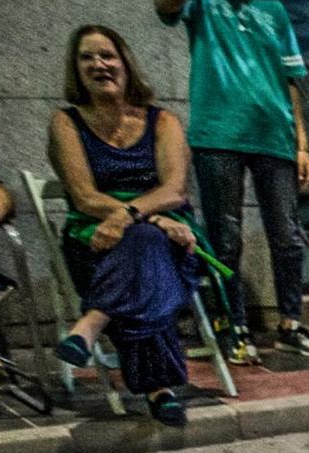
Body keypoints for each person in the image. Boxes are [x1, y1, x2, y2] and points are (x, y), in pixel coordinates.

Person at [153, 0, 309, 361]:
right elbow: (162, 2)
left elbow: (291, 79)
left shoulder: (272, 6)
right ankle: (233, 329)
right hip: (219, 135)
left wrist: (302, 142)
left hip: (274, 134)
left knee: (287, 235)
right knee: (224, 237)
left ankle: (291, 322)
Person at [46, 27, 199, 426]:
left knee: (145, 244)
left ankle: (93, 322)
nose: (99, 65)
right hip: (94, 235)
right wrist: (145, 218)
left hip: (167, 233)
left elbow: (174, 189)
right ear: (76, 69)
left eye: (107, 56)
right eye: (87, 58)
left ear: (125, 63)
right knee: (145, 246)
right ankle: (159, 389)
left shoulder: (161, 121)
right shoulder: (67, 123)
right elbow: (83, 196)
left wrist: (136, 217)